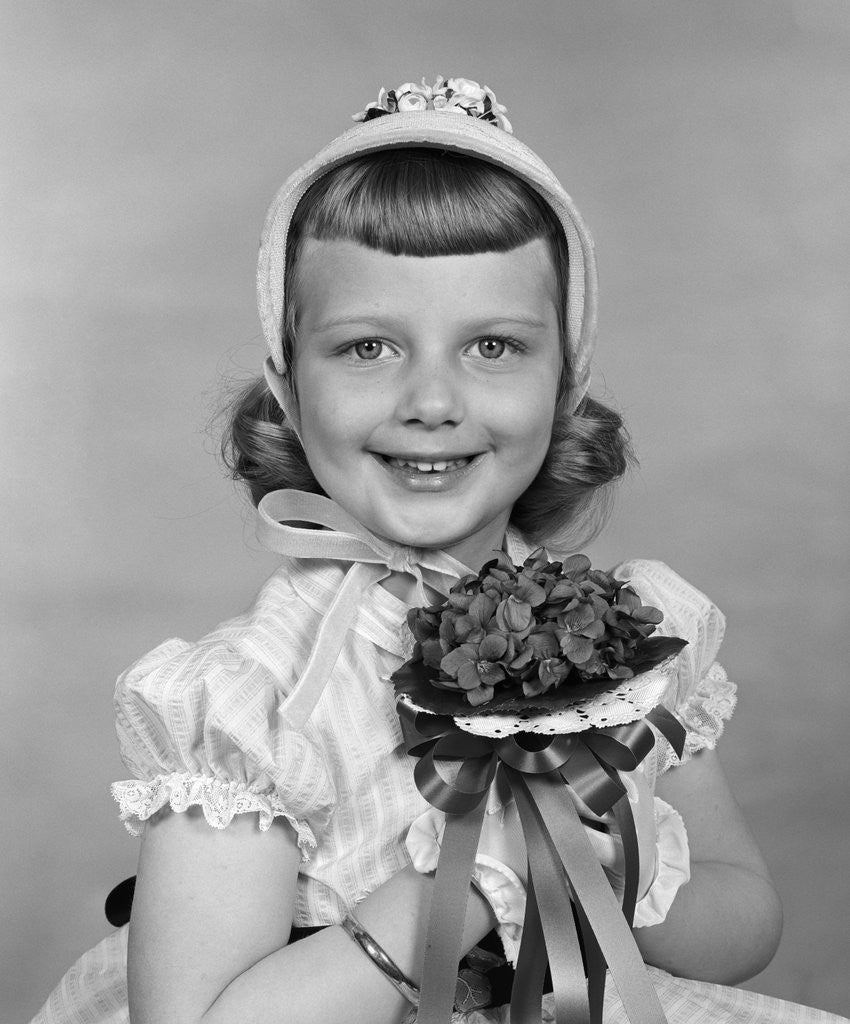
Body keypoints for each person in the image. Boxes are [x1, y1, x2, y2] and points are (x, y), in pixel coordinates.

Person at [31, 77, 845, 1024]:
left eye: (493, 347)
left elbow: (745, 922)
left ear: (566, 381)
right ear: (287, 385)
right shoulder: (259, 701)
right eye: (368, 348)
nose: (431, 402)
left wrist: (617, 865)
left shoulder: (631, 641)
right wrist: (472, 884)